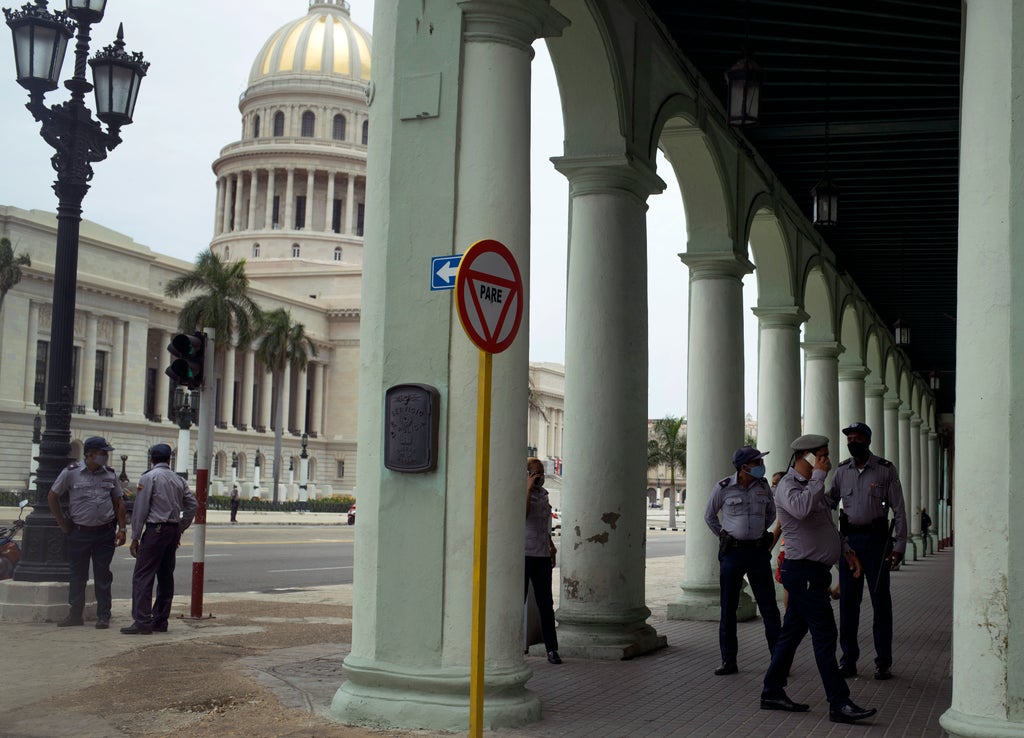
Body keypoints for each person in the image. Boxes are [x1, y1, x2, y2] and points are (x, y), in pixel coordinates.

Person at [760, 434, 877, 724]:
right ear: (807, 457)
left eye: (826, 455)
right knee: (825, 635)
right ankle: (839, 702)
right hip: (803, 573)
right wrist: (819, 477)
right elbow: (799, 510)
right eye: (821, 455)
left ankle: (772, 691)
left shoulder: (813, 487)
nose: (827, 460)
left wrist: (846, 550)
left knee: (791, 635)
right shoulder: (788, 485)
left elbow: (826, 524)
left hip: (814, 573)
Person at [828, 422, 907, 681]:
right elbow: (829, 501)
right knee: (849, 606)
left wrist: (899, 546)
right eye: (849, 438)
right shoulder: (841, 472)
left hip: (877, 543)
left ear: (868, 440)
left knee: (880, 602)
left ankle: (883, 662)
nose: (852, 441)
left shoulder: (884, 470)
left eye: (857, 437)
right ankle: (848, 660)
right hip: (850, 544)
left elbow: (899, 509)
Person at [704, 446, 781, 675]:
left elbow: (771, 513)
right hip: (733, 554)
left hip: (757, 553)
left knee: (769, 608)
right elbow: (709, 515)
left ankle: (778, 660)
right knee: (728, 609)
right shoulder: (724, 487)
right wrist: (724, 535)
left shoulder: (764, 486)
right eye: (757, 462)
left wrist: (757, 531)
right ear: (744, 466)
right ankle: (729, 661)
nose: (760, 465)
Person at [47, 436, 127, 629]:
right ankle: (75, 615)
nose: (106, 457)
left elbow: (119, 502)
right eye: (103, 453)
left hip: (105, 532)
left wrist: (122, 529)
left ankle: (103, 616)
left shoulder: (110, 474)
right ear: (90, 454)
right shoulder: (71, 473)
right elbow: (52, 496)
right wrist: (62, 523)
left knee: (103, 576)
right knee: (77, 575)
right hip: (79, 532)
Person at [121, 443, 198, 635]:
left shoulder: (149, 478)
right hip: (172, 530)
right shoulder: (178, 480)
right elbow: (192, 505)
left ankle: (142, 621)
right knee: (165, 576)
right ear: (169, 459)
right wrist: (180, 527)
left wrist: (135, 537)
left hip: (156, 529)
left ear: (152, 459)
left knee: (143, 575)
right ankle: (161, 619)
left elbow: (140, 509)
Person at [525, 456, 560, 664]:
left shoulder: (544, 496)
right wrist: (528, 489)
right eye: (534, 473)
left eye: (541, 473)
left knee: (546, 603)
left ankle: (552, 649)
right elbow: (523, 515)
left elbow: (542, 524)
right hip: (524, 554)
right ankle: (512, 647)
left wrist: (551, 544)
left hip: (542, 554)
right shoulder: (522, 492)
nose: (539, 477)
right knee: (517, 603)